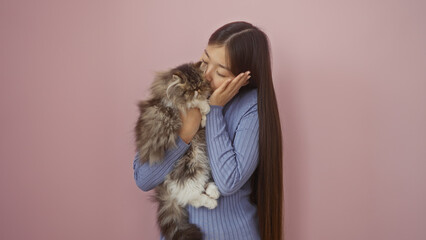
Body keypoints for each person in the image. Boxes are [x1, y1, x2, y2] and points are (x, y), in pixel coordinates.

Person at [133, 21, 283, 240]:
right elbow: (143, 179)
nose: (206, 76)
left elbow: (227, 181)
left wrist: (215, 110)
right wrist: (186, 132)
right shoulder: (182, 89)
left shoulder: (251, 107)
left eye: (221, 72)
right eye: (205, 61)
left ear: (243, 78)